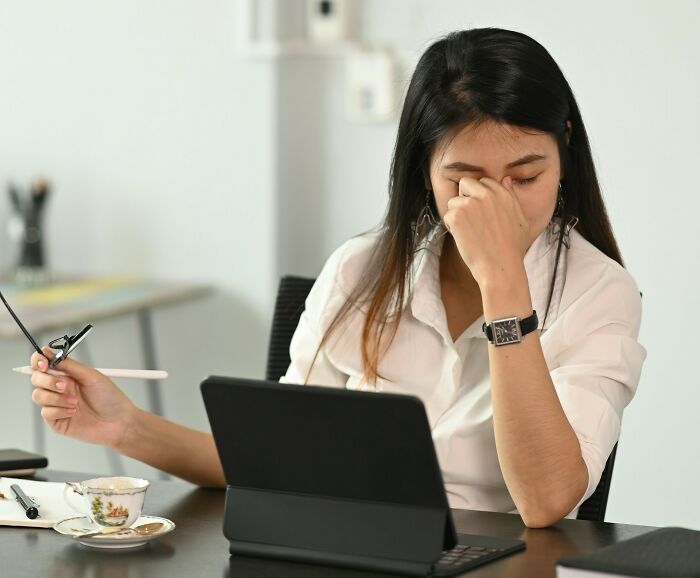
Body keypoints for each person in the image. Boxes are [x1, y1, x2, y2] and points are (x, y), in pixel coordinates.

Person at [28, 28, 645, 528]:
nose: (494, 205)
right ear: (422, 171)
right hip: (346, 548)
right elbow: (276, 462)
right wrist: (122, 425)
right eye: (464, 180)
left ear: (565, 150)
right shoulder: (362, 269)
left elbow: (546, 502)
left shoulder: (599, 292)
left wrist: (504, 284)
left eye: (525, 176)